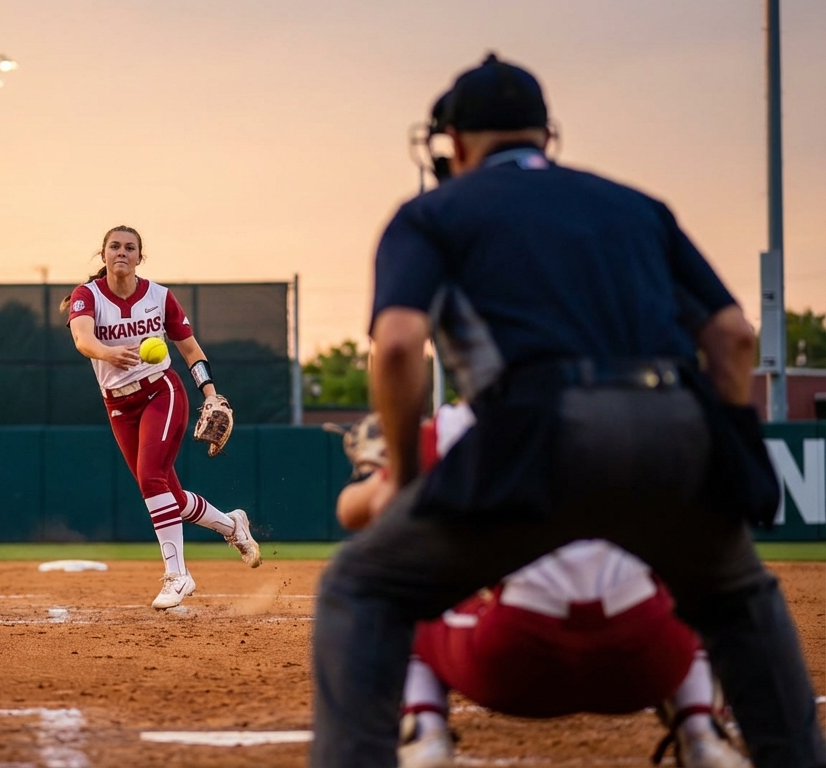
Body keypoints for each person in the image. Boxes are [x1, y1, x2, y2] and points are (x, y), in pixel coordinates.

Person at [311, 53, 825, 768]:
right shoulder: (633, 204)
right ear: (545, 137)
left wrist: (401, 472)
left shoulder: (432, 212)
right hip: (673, 421)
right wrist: (722, 443)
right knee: (740, 598)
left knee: (360, 587)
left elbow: (398, 346)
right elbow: (733, 337)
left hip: (538, 432)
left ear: (453, 145)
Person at [337, 405, 749, 768]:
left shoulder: (459, 424)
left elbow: (355, 512)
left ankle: (423, 733)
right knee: (695, 584)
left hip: (513, 663)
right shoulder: (657, 416)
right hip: (648, 660)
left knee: (399, 588)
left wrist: (385, 474)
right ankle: (700, 729)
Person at [63, 225, 262, 609]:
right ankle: (232, 524)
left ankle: (177, 575)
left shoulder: (159, 296)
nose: (122, 252)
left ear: (140, 257)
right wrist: (107, 353)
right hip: (118, 405)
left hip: (161, 390)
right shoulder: (87, 296)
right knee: (165, 494)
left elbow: (189, 349)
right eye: (115, 246)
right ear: (102, 255)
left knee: (151, 479)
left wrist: (210, 393)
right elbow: (82, 339)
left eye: (130, 248)